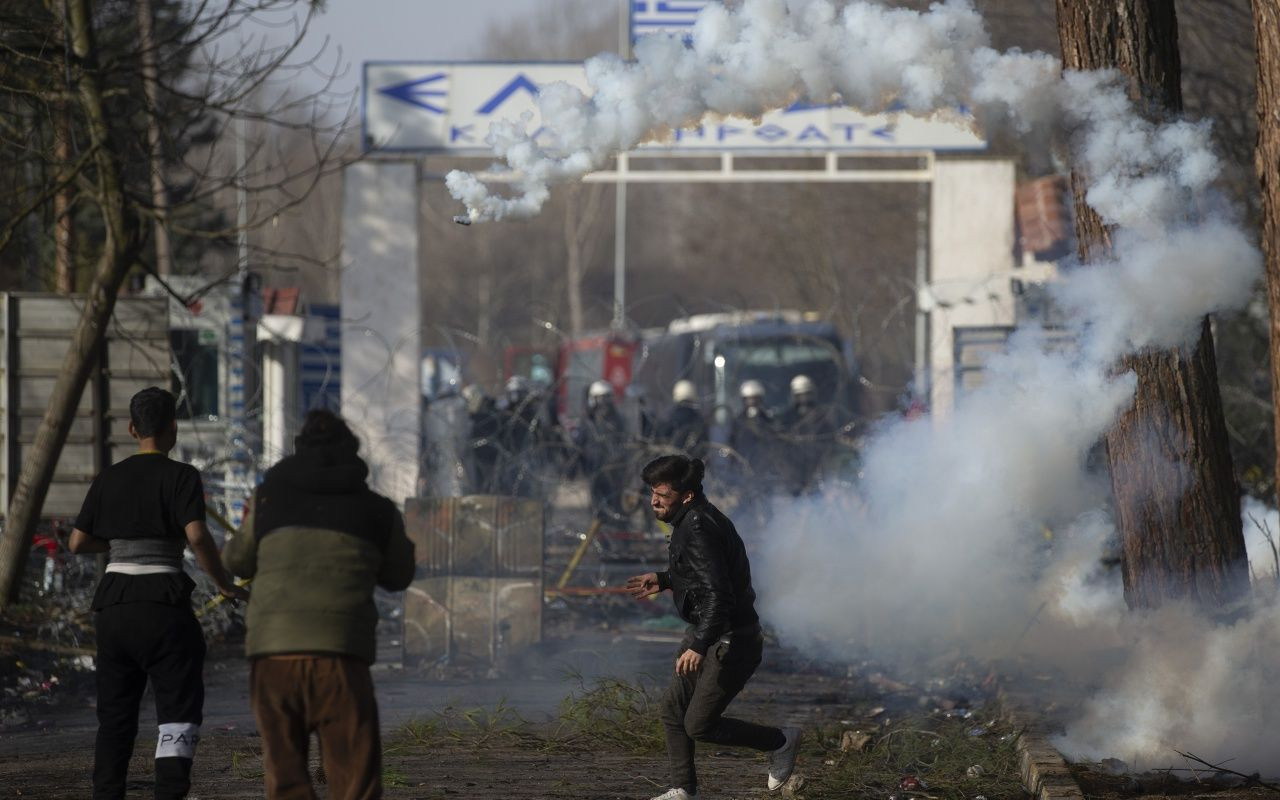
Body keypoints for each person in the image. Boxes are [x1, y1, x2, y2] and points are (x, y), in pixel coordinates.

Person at [222, 409, 416, 799]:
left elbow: (236, 561)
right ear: (352, 453)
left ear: (298, 450)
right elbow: (399, 575)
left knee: (286, 779)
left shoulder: (267, 500)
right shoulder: (377, 510)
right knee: (354, 783)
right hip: (340, 659)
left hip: (273, 657)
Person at [69, 386, 248, 800]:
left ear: (132, 429)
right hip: (163, 605)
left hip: (113, 607)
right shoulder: (182, 477)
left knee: (114, 716)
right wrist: (223, 583)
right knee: (177, 711)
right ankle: (169, 791)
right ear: (173, 430)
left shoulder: (108, 478)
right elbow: (198, 535)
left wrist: (117, 545)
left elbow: (77, 542)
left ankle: (107, 793)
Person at [626, 455, 800, 800]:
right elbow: (706, 577)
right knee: (673, 710)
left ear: (686, 495)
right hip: (709, 634)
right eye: (652, 493)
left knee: (699, 724)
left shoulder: (698, 528)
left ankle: (780, 741)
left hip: (730, 641)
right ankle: (683, 789)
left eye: (662, 494)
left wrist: (699, 645)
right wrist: (664, 579)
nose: (654, 501)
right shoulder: (693, 519)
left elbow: (720, 595)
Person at [572, 380, 630, 522]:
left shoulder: (614, 421)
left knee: (611, 508)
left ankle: (612, 537)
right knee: (604, 508)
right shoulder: (591, 422)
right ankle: (605, 537)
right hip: (600, 471)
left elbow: (626, 444)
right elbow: (579, 447)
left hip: (609, 472)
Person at [657, 380, 708, 460]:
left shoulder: (674, 415)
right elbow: (704, 442)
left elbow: (664, 434)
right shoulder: (697, 417)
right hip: (693, 462)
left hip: (675, 461)